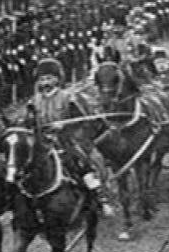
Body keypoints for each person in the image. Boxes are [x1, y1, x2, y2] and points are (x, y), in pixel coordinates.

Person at [31, 58, 112, 216]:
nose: (45, 82)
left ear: (57, 79)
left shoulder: (68, 98)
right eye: (42, 79)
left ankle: (100, 198)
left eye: (49, 78)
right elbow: (30, 122)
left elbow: (82, 120)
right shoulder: (34, 101)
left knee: (81, 164)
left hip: (66, 140)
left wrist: (64, 126)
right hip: (43, 142)